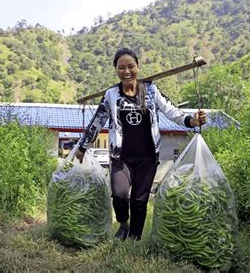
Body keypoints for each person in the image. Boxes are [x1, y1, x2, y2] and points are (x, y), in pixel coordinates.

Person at [75, 48, 206, 241]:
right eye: (121, 68)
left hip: (147, 157)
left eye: (131, 66)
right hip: (122, 157)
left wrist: (192, 121)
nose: (126, 71)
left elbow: (173, 112)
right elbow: (98, 120)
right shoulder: (111, 95)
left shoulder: (151, 91)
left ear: (138, 67)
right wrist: (82, 146)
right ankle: (123, 224)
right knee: (119, 195)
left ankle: (135, 237)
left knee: (139, 200)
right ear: (116, 70)